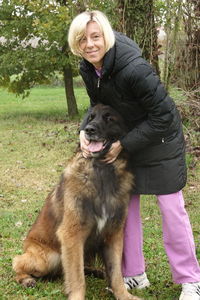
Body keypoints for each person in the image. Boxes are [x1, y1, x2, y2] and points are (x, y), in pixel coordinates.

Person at [68, 10, 200, 300]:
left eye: (95, 36)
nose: (89, 44)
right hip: (127, 141)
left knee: (171, 210)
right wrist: (83, 128)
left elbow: (164, 116)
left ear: (106, 35)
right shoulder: (88, 67)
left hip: (161, 140)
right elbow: (97, 103)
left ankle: (191, 279)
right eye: (82, 39)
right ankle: (134, 274)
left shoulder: (134, 68)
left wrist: (122, 144)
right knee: (126, 211)